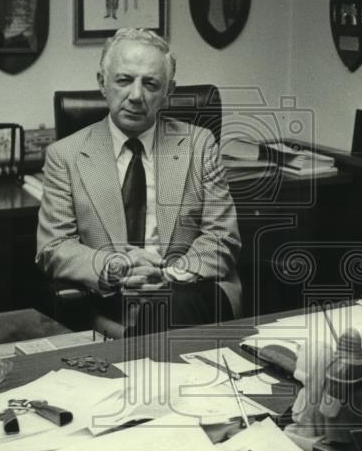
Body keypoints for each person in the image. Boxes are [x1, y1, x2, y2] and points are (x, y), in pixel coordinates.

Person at [36, 29, 241, 335]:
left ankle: (131, 343)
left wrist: (169, 273)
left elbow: (222, 239)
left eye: (150, 83)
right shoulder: (65, 155)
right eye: (123, 80)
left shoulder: (199, 145)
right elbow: (54, 247)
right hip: (112, 295)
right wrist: (114, 266)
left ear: (168, 91)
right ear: (101, 83)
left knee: (170, 308)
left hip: (189, 289)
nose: (135, 95)